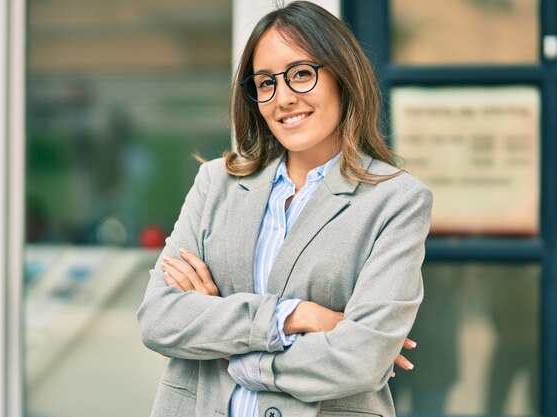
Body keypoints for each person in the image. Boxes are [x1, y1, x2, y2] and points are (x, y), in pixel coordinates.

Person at [137, 2, 433, 416]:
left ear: (342, 77)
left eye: (301, 74)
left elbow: (361, 358)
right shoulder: (217, 182)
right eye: (265, 83)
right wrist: (296, 316)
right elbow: (160, 318)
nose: (284, 99)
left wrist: (229, 345)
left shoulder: (396, 200)